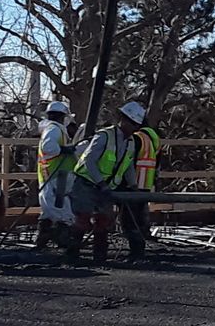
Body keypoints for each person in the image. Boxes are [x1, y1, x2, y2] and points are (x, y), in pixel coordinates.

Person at [66, 100, 146, 264]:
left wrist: (133, 186)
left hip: (106, 187)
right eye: (131, 124)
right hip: (86, 183)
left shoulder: (130, 142)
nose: (133, 128)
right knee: (82, 218)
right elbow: (89, 161)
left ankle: (99, 257)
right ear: (123, 120)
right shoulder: (104, 136)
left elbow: (128, 164)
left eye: (136, 125)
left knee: (103, 220)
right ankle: (71, 255)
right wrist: (101, 183)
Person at [35, 100, 78, 250]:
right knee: (59, 208)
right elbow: (48, 147)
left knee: (50, 208)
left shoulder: (55, 129)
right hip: (53, 174)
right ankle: (61, 238)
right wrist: (64, 150)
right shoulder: (54, 130)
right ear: (63, 116)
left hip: (53, 174)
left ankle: (45, 237)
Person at [119, 117, 161, 262]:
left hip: (134, 183)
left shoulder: (136, 138)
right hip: (146, 183)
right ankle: (139, 248)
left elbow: (127, 160)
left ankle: (136, 251)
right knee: (139, 218)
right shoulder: (153, 137)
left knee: (129, 219)